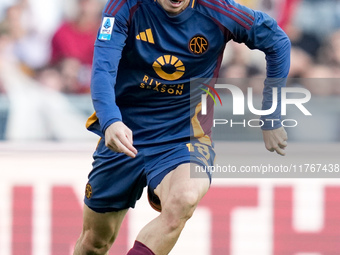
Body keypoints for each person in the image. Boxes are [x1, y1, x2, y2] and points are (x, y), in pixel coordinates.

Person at [73, 0, 290, 254]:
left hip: (184, 137)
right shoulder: (124, 6)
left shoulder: (220, 10)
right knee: (94, 242)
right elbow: (102, 68)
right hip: (124, 134)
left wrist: (271, 115)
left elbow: (278, 42)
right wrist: (110, 120)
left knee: (184, 198)